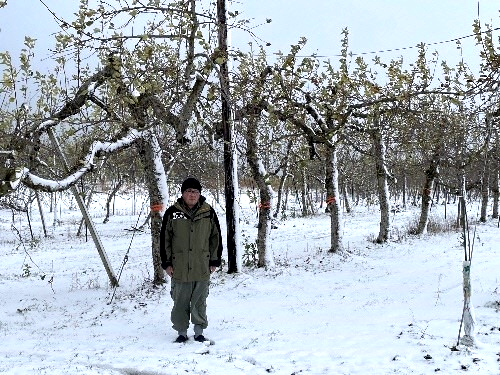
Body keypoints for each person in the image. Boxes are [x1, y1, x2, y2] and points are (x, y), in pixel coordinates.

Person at [160, 177, 223, 343]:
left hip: (202, 264)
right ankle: (181, 332)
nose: (192, 194)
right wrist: (166, 263)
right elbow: (164, 239)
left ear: (200, 193)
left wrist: (214, 261)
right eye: (188, 191)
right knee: (180, 300)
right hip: (179, 266)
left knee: (199, 300)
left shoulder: (208, 212)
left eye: (195, 191)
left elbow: (215, 238)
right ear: (182, 193)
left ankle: (199, 331)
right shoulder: (172, 212)